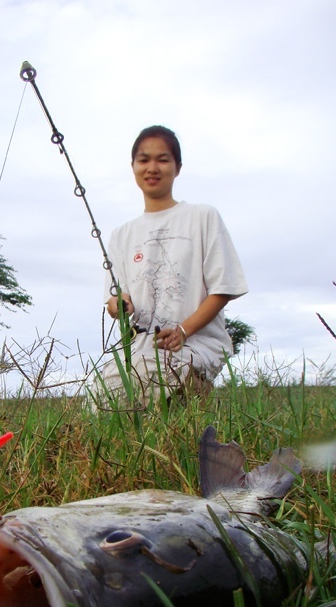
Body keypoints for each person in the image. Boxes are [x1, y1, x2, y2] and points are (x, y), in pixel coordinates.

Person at [94, 125, 248, 404]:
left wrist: (183, 331)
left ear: (177, 167)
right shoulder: (121, 235)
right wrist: (119, 304)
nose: (152, 167)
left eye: (162, 159)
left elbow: (224, 287)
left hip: (196, 344)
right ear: (133, 167)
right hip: (140, 351)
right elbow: (116, 299)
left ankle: (198, 398)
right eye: (144, 160)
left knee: (154, 383)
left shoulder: (203, 217)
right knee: (100, 400)